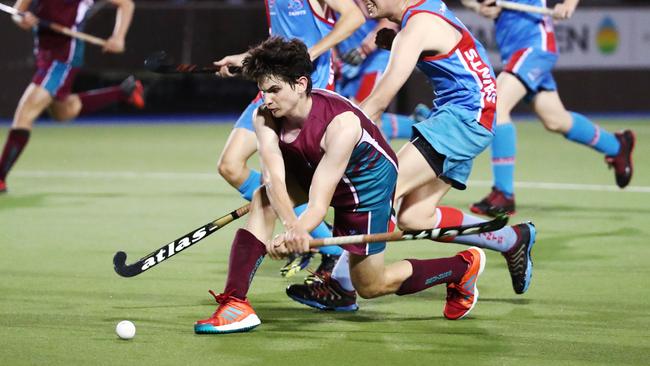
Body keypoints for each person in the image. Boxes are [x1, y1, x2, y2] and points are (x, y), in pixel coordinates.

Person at [194, 37, 488, 334]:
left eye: (274, 90)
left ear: (300, 84)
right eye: (262, 91)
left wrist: (298, 231)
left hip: (366, 187)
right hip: (314, 166)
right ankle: (235, 304)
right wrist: (290, 225)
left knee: (372, 285)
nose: (267, 99)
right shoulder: (264, 116)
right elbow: (273, 178)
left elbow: (320, 203)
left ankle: (462, 267)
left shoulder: (341, 125)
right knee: (263, 199)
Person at [285, 0, 536, 312]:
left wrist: (329, 140)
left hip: (462, 119)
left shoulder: (415, 28)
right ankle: (512, 239)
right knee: (415, 217)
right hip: (471, 117)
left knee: (380, 187)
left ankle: (341, 285)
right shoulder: (421, 17)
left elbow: (377, 102)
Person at [212, 0, 366, 278]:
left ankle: (311, 244)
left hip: (302, 94)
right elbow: (282, 44)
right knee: (230, 165)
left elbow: (355, 16)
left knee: (273, 187)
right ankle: (318, 237)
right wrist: (246, 58)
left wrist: (310, 54)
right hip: (272, 92)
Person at [462, 0, 635, 216]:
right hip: (512, 48)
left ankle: (504, 194)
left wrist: (568, 4)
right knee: (555, 120)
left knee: (495, 105)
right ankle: (617, 146)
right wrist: (479, 7)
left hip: (535, 44)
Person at [0, 0, 143, 194]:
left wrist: (119, 37)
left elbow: (126, 4)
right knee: (63, 112)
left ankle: (0, 178)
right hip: (44, 52)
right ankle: (124, 92)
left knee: (25, 112)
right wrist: (23, 19)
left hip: (64, 57)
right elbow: (18, 12)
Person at [334, 0, 415, 141]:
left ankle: (384, 160)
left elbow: (391, 19)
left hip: (374, 60)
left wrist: (364, 49)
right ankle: (415, 123)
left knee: (366, 113)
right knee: (348, 112)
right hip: (346, 62)